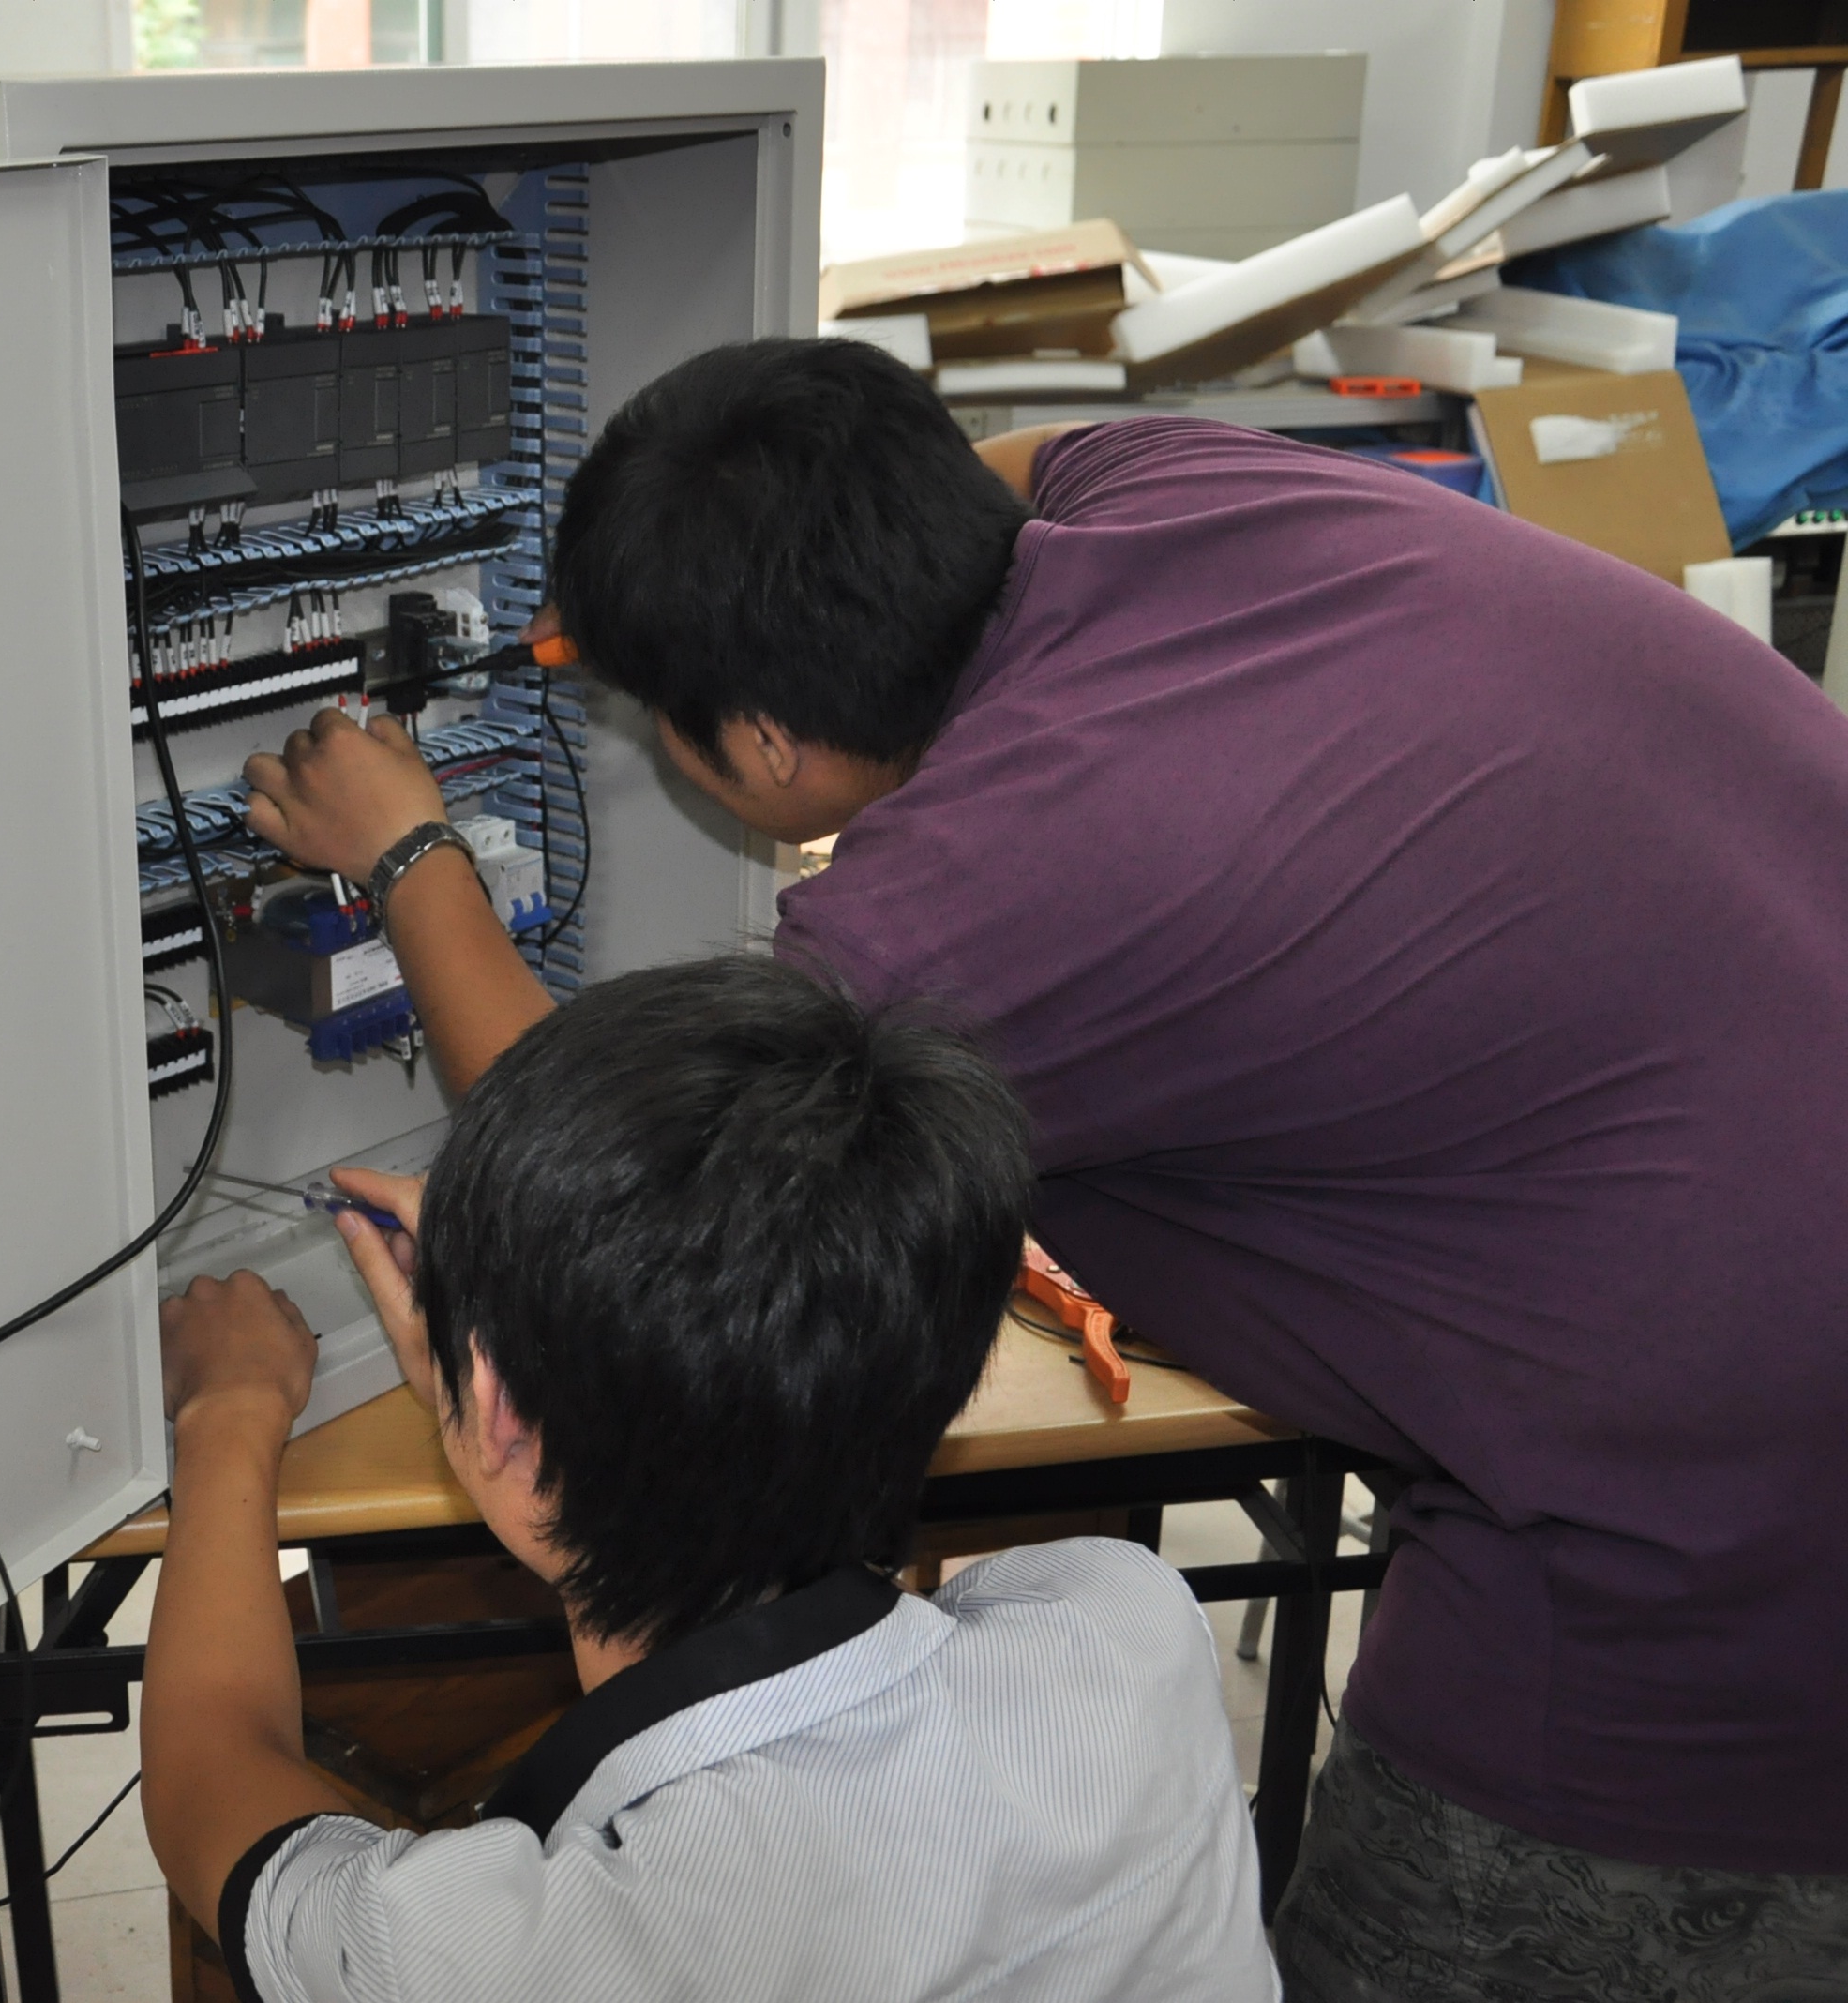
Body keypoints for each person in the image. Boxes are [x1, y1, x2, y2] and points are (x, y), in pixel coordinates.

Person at [239, 337, 1848, 1996]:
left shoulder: (991, 888)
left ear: (768, 746)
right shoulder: (1155, 476)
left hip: (1711, 1573)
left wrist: (407, 849)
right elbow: (995, 472)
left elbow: (624, 1181)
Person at [144, 955, 1276, 2002]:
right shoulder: (1128, 1624)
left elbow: (209, 1771)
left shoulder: (501, 1960)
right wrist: (541, 1341)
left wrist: (227, 1415)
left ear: (498, 1413)